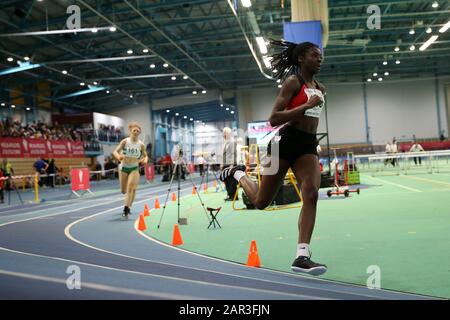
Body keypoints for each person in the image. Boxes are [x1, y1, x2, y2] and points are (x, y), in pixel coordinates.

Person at [220, 40, 327, 275]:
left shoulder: (320, 87)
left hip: (307, 145)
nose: (319, 58)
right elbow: (274, 118)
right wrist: (306, 105)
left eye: (321, 56)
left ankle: (301, 256)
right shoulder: (292, 82)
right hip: (282, 144)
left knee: (311, 194)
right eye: (314, 55)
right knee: (261, 202)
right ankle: (238, 173)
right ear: (301, 59)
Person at [113, 122, 148, 218]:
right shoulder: (125, 142)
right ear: (130, 131)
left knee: (131, 187)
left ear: (139, 133)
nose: (136, 132)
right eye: (134, 130)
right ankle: (128, 203)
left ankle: (126, 208)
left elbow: (145, 156)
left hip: (134, 168)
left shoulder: (141, 144)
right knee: (124, 191)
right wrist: (119, 157)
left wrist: (145, 160)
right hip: (123, 168)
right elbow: (115, 151)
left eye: (138, 131)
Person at [221, 127, 239, 201]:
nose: (224, 134)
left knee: (231, 181)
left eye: (225, 132)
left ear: (229, 133)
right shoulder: (225, 142)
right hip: (225, 164)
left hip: (230, 164)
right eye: (223, 132)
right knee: (226, 180)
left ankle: (234, 196)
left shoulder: (232, 141)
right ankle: (229, 195)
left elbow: (233, 154)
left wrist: (231, 165)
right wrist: (222, 164)